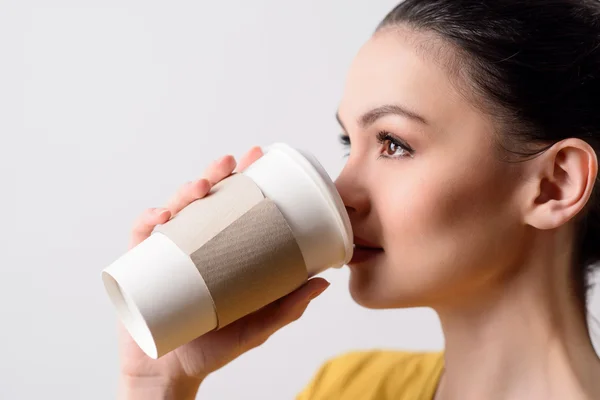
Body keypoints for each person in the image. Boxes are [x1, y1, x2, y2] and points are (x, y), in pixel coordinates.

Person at [116, 1, 600, 399]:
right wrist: (159, 383)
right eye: (350, 143)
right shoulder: (349, 389)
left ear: (555, 185)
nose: (339, 192)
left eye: (393, 143)